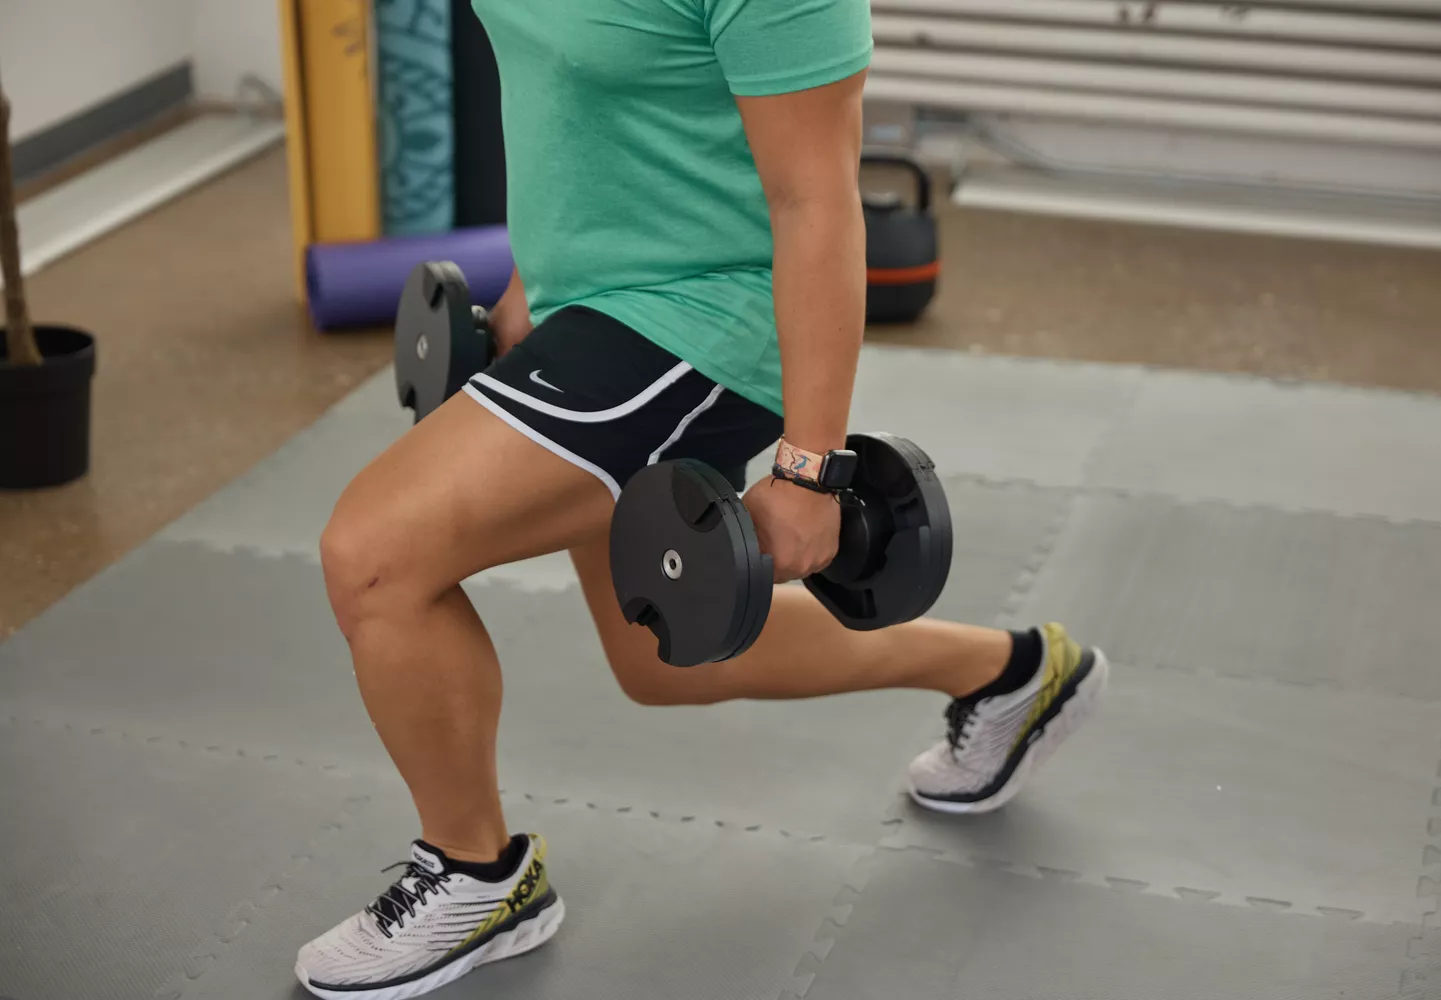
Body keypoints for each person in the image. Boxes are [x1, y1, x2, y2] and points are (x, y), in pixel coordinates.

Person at [294, 1, 1108, 997]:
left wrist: (810, 470)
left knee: (377, 554)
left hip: (706, 318)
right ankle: (1011, 674)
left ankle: (477, 875)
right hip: (587, 302)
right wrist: (532, 285)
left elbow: (817, 204)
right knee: (660, 658)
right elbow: (564, 86)